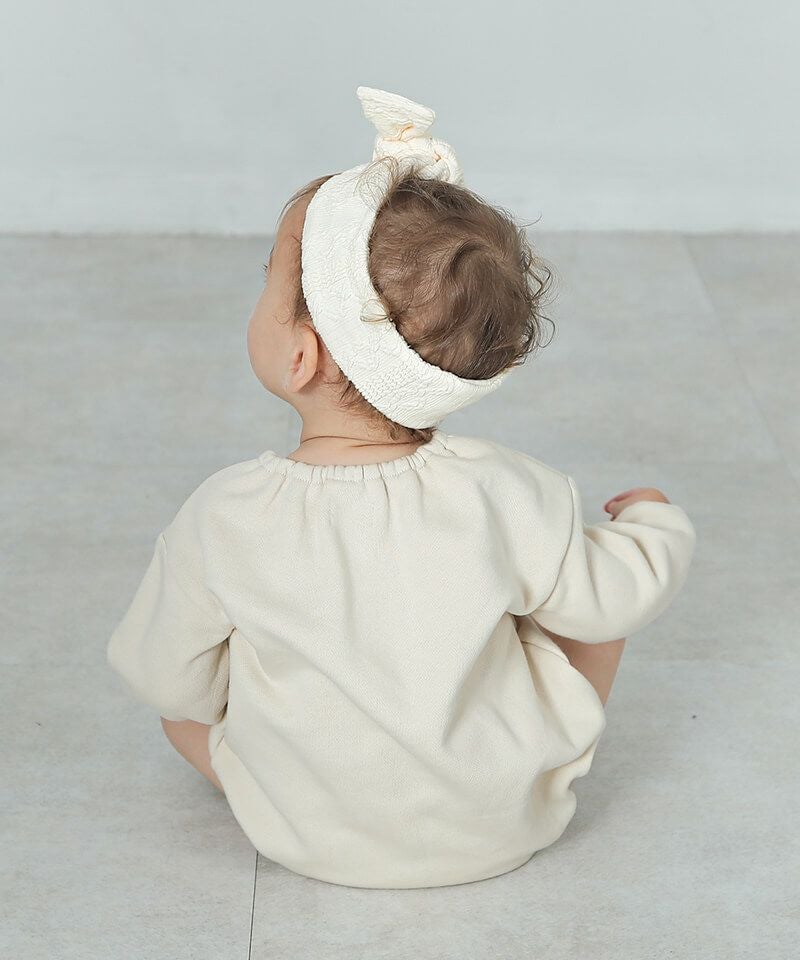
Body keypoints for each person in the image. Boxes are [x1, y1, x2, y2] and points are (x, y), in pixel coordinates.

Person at [107, 86, 697, 890]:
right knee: (592, 607)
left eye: (267, 282)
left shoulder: (225, 516)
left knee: (179, 702)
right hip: (503, 824)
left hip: (302, 833)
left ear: (301, 357)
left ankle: (307, 791)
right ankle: (506, 778)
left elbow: (163, 676)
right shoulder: (508, 491)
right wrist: (653, 524)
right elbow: (620, 596)